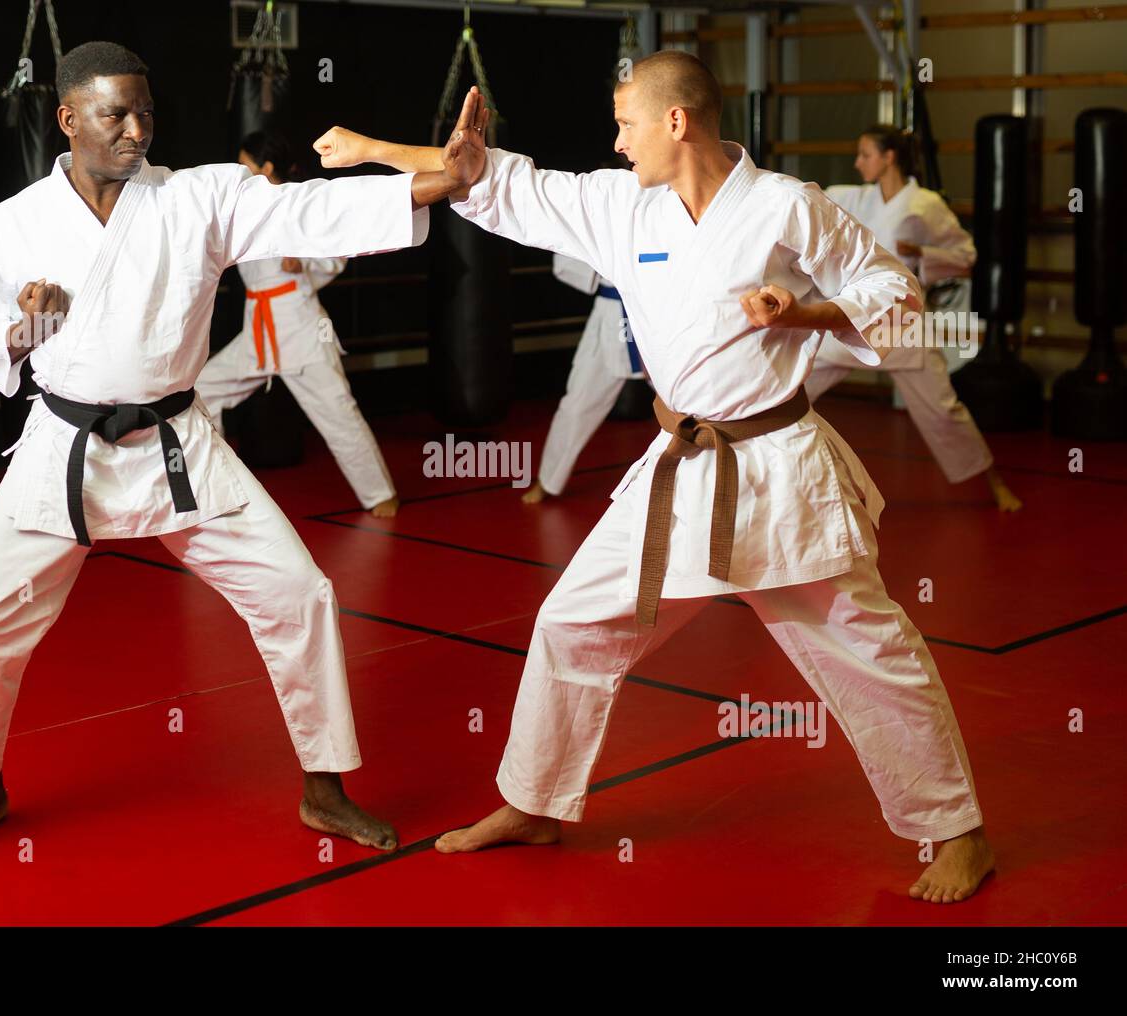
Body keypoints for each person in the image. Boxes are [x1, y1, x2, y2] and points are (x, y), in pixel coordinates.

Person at [315, 55, 995, 903]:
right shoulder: (621, 208)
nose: (615, 139)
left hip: (779, 473)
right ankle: (533, 802)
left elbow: (894, 292)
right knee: (571, 622)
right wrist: (380, 146)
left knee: (869, 651)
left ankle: (958, 830)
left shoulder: (786, 205)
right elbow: (508, 184)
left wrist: (808, 310)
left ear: (676, 122)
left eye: (626, 122)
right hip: (680, 471)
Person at [0, 40, 464, 854]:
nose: (136, 130)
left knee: (299, 594)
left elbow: (305, 212)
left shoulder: (200, 196)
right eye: (115, 114)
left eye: (146, 111)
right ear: (68, 120)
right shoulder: (15, 223)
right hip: (62, 450)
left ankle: (324, 786)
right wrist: (27, 327)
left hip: (178, 444)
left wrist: (435, 182)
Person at [808, 125, 1021, 512]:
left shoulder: (924, 203)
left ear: (889, 157)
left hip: (901, 320)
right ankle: (768, 475)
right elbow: (808, 197)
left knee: (942, 409)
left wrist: (922, 252)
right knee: (792, 389)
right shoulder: (853, 197)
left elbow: (965, 254)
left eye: (866, 154)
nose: (858, 163)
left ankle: (994, 483)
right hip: (856, 315)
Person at [196, 131, 400, 518]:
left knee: (337, 410)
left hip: (300, 327)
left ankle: (380, 493)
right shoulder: (241, 210)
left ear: (266, 168)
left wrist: (305, 261)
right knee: (202, 391)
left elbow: (338, 254)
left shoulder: (298, 205)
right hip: (259, 330)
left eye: (246, 164)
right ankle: (219, 488)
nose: (240, 171)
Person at [518, 248, 649, 504]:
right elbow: (565, 260)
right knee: (578, 403)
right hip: (610, 315)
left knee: (687, 402)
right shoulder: (597, 208)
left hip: (654, 314)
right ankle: (548, 480)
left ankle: (708, 474)